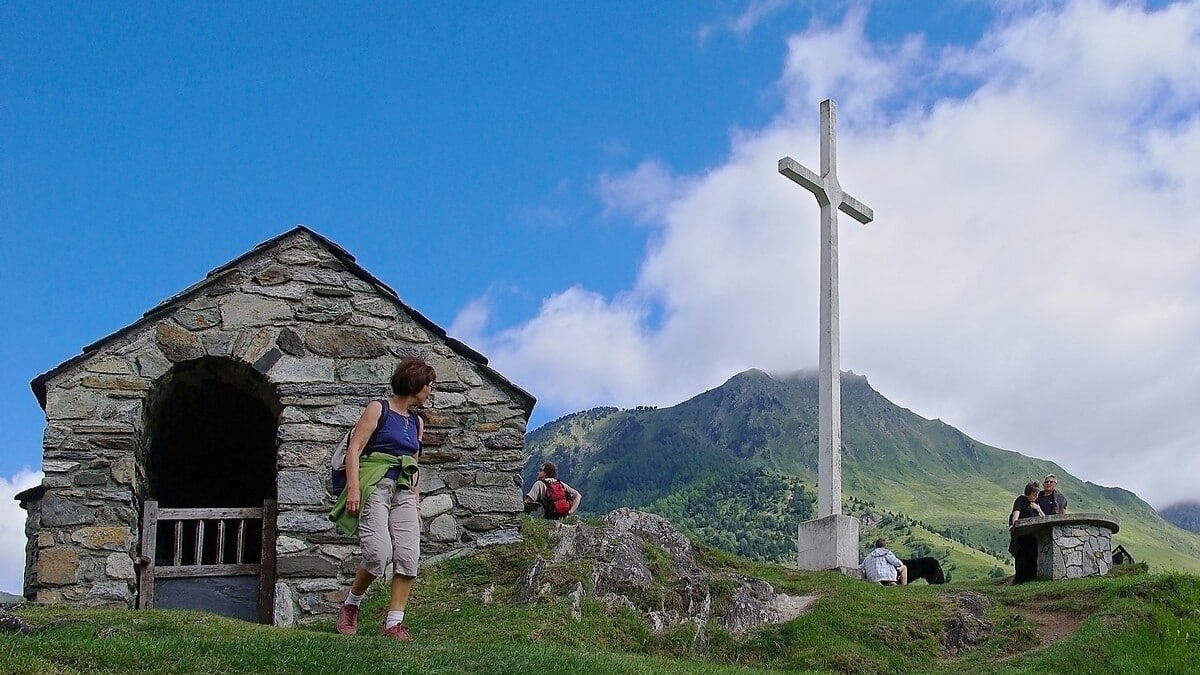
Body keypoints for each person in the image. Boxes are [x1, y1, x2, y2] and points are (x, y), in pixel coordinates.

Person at [331, 357, 435, 641]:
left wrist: (416, 503)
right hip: (374, 484)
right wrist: (354, 488)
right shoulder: (379, 408)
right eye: (429, 385)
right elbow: (355, 449)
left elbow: (414, 465)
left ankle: (393, 624)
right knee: (378, 553)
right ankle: (351, 604)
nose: (430, 391)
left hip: (403, 490)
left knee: (408, 555)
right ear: (415, 383)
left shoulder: (416, 422)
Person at [1010, 480, 1045, 583]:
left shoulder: (1035, 504)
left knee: (1033, 557)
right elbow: (1016, 512)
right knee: (1022, 558)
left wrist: (1038, 509)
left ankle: (1030, 579)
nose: (1036, 496)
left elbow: (1044, 518)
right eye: (1034, 494)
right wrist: (1014, 525)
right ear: (1028, 492)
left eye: (1037, 494)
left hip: (1033, 536)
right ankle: (1019, 580)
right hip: (1023, 536)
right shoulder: (1021, 500)